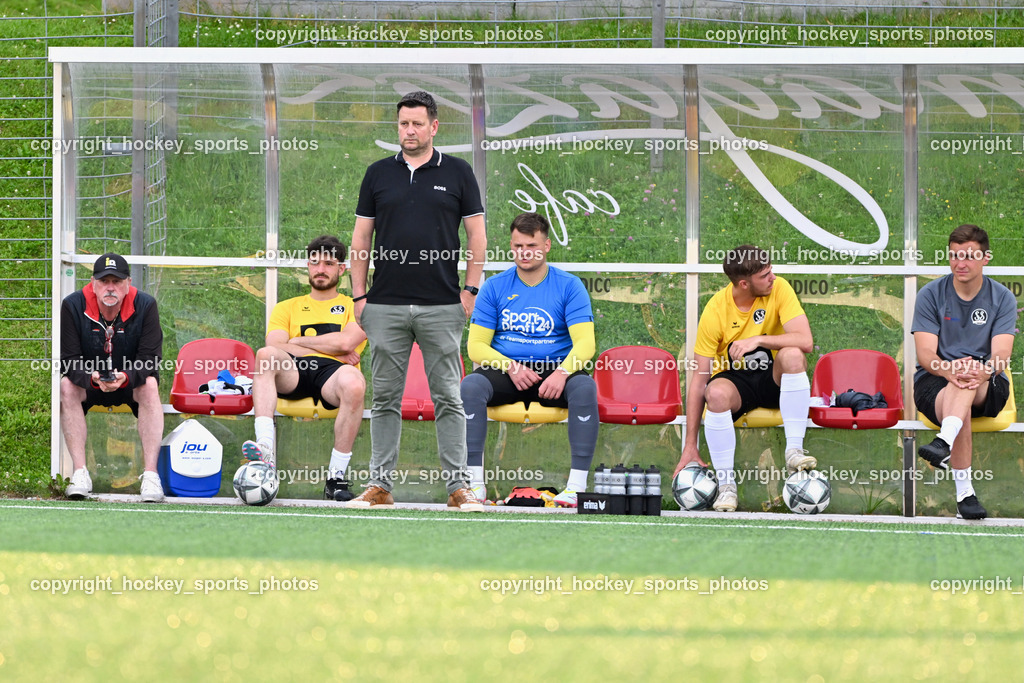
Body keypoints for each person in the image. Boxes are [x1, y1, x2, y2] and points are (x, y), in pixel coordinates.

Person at [348, 90, 487, 511]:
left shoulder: (459, 173)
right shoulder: (377, 174)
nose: (409, 131)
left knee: (448, 397)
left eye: (417, 124)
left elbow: (477, 238)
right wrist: (359, 295)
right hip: (385, 305)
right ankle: (379, 487)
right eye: (403, 124)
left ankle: (459, 489)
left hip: (442, 306)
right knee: (385, 398)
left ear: (434, 127)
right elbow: (360, 238)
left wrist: (470, 290)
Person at [461, 212, 598, 507]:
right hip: (509, 371)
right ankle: (473, 485)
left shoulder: (569, 285)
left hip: (555, 372)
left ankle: (575, 488)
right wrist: (510, 366)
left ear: (546, 246)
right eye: (518, 246)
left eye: (531, 246)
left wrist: (562, 373)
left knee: (585, 387)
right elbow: (476, 347)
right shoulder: (495, 287)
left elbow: (586, 344)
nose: (524, 253)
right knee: (471, 385)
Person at [673, 245, 815, 512]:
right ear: (744, 284)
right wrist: (690, 444)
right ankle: (726, 487)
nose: (773, 277)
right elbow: (700, 378)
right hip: (737, 384)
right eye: (765, 275)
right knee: (714, 393)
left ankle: (794, 452)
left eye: (771, 271)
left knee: (793, 355)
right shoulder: (715, 309)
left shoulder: (780, 288)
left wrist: (758, 339)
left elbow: (805, 340)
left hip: (774, 379)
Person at [243, 236, 367, 502]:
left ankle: (336, 478)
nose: (321, 269)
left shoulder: (355, 307)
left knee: (355, 382)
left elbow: (346, 341)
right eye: (314, 263)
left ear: (341, 269)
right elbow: (275, 344)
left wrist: (297, 341)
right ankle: (265, 453)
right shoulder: (287, 307)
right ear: (307, 266)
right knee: (266, 356)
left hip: (333, 374)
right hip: (294, 371)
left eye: (329, 263)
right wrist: (331, 348)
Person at [913, 225, 1016, 520]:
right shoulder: (930, 294)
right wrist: (949, 369)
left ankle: (951, 461)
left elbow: (1001, 355)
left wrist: (981, 371)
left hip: (987, 381)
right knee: (962, 384)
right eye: (955, 256)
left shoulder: (1003, 298)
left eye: (970, 256)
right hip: (934, 382)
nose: (961, 263)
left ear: (985, 258)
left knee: (969, 374)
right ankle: (964, 494)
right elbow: (926, 355)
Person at [60, 253, 165, 502]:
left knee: (150, 385)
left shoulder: (146, 305)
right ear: (93, 283)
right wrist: (92, 378)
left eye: (116, 281)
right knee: (66, 385)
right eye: (104, 281)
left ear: (128, 283)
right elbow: (68, 359)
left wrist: (126, 377)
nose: (110, 287)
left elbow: (151, 358)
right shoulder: (73, 305)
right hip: (91, 382)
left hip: (130, 381)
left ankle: (151, 475)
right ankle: (80, 473)